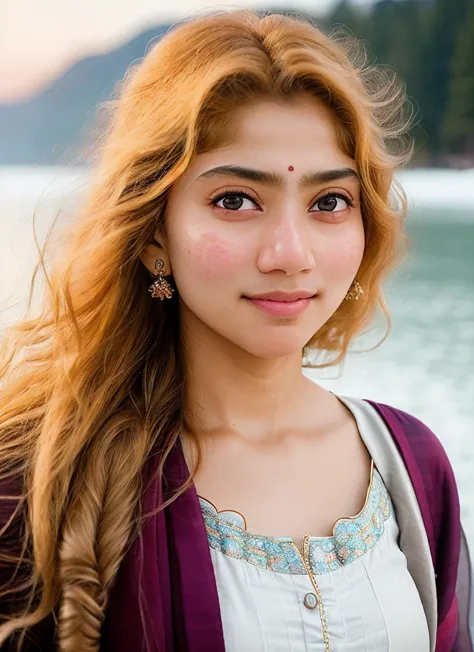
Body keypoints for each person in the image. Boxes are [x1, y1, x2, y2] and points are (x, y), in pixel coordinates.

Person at [0, 8, 471, 652]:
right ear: (154, 233)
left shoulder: (411, 465)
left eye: (329, 202)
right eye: (234, 201)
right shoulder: (37, 479)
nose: (289, 252)